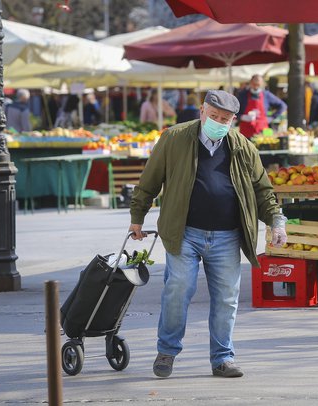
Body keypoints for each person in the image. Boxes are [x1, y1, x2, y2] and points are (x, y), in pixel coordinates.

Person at [129, 90, 287, 379]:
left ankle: (222, 359)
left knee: (227, 298)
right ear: (202, 111)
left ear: (233, 120)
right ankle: (167, 350)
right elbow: (149, 179)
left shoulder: (242, 146)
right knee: (178, 288)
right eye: (213, 116)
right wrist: (137, 217)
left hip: (227, 235)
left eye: (224, 119)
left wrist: (276, 221)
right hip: (184, 231)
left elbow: (262, 190)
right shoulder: (174, 138)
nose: (217, 122)